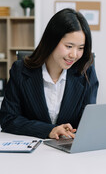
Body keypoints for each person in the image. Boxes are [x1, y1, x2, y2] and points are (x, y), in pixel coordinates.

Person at [0, 8, 99, 139]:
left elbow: (88, 122)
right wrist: (49, 130)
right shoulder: (20, 71)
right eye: (69, 46)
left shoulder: (86, 72)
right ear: (51, 41)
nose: (74, 55)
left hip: (70, 151)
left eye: (80, 48)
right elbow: (8, 119)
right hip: (32, 152)